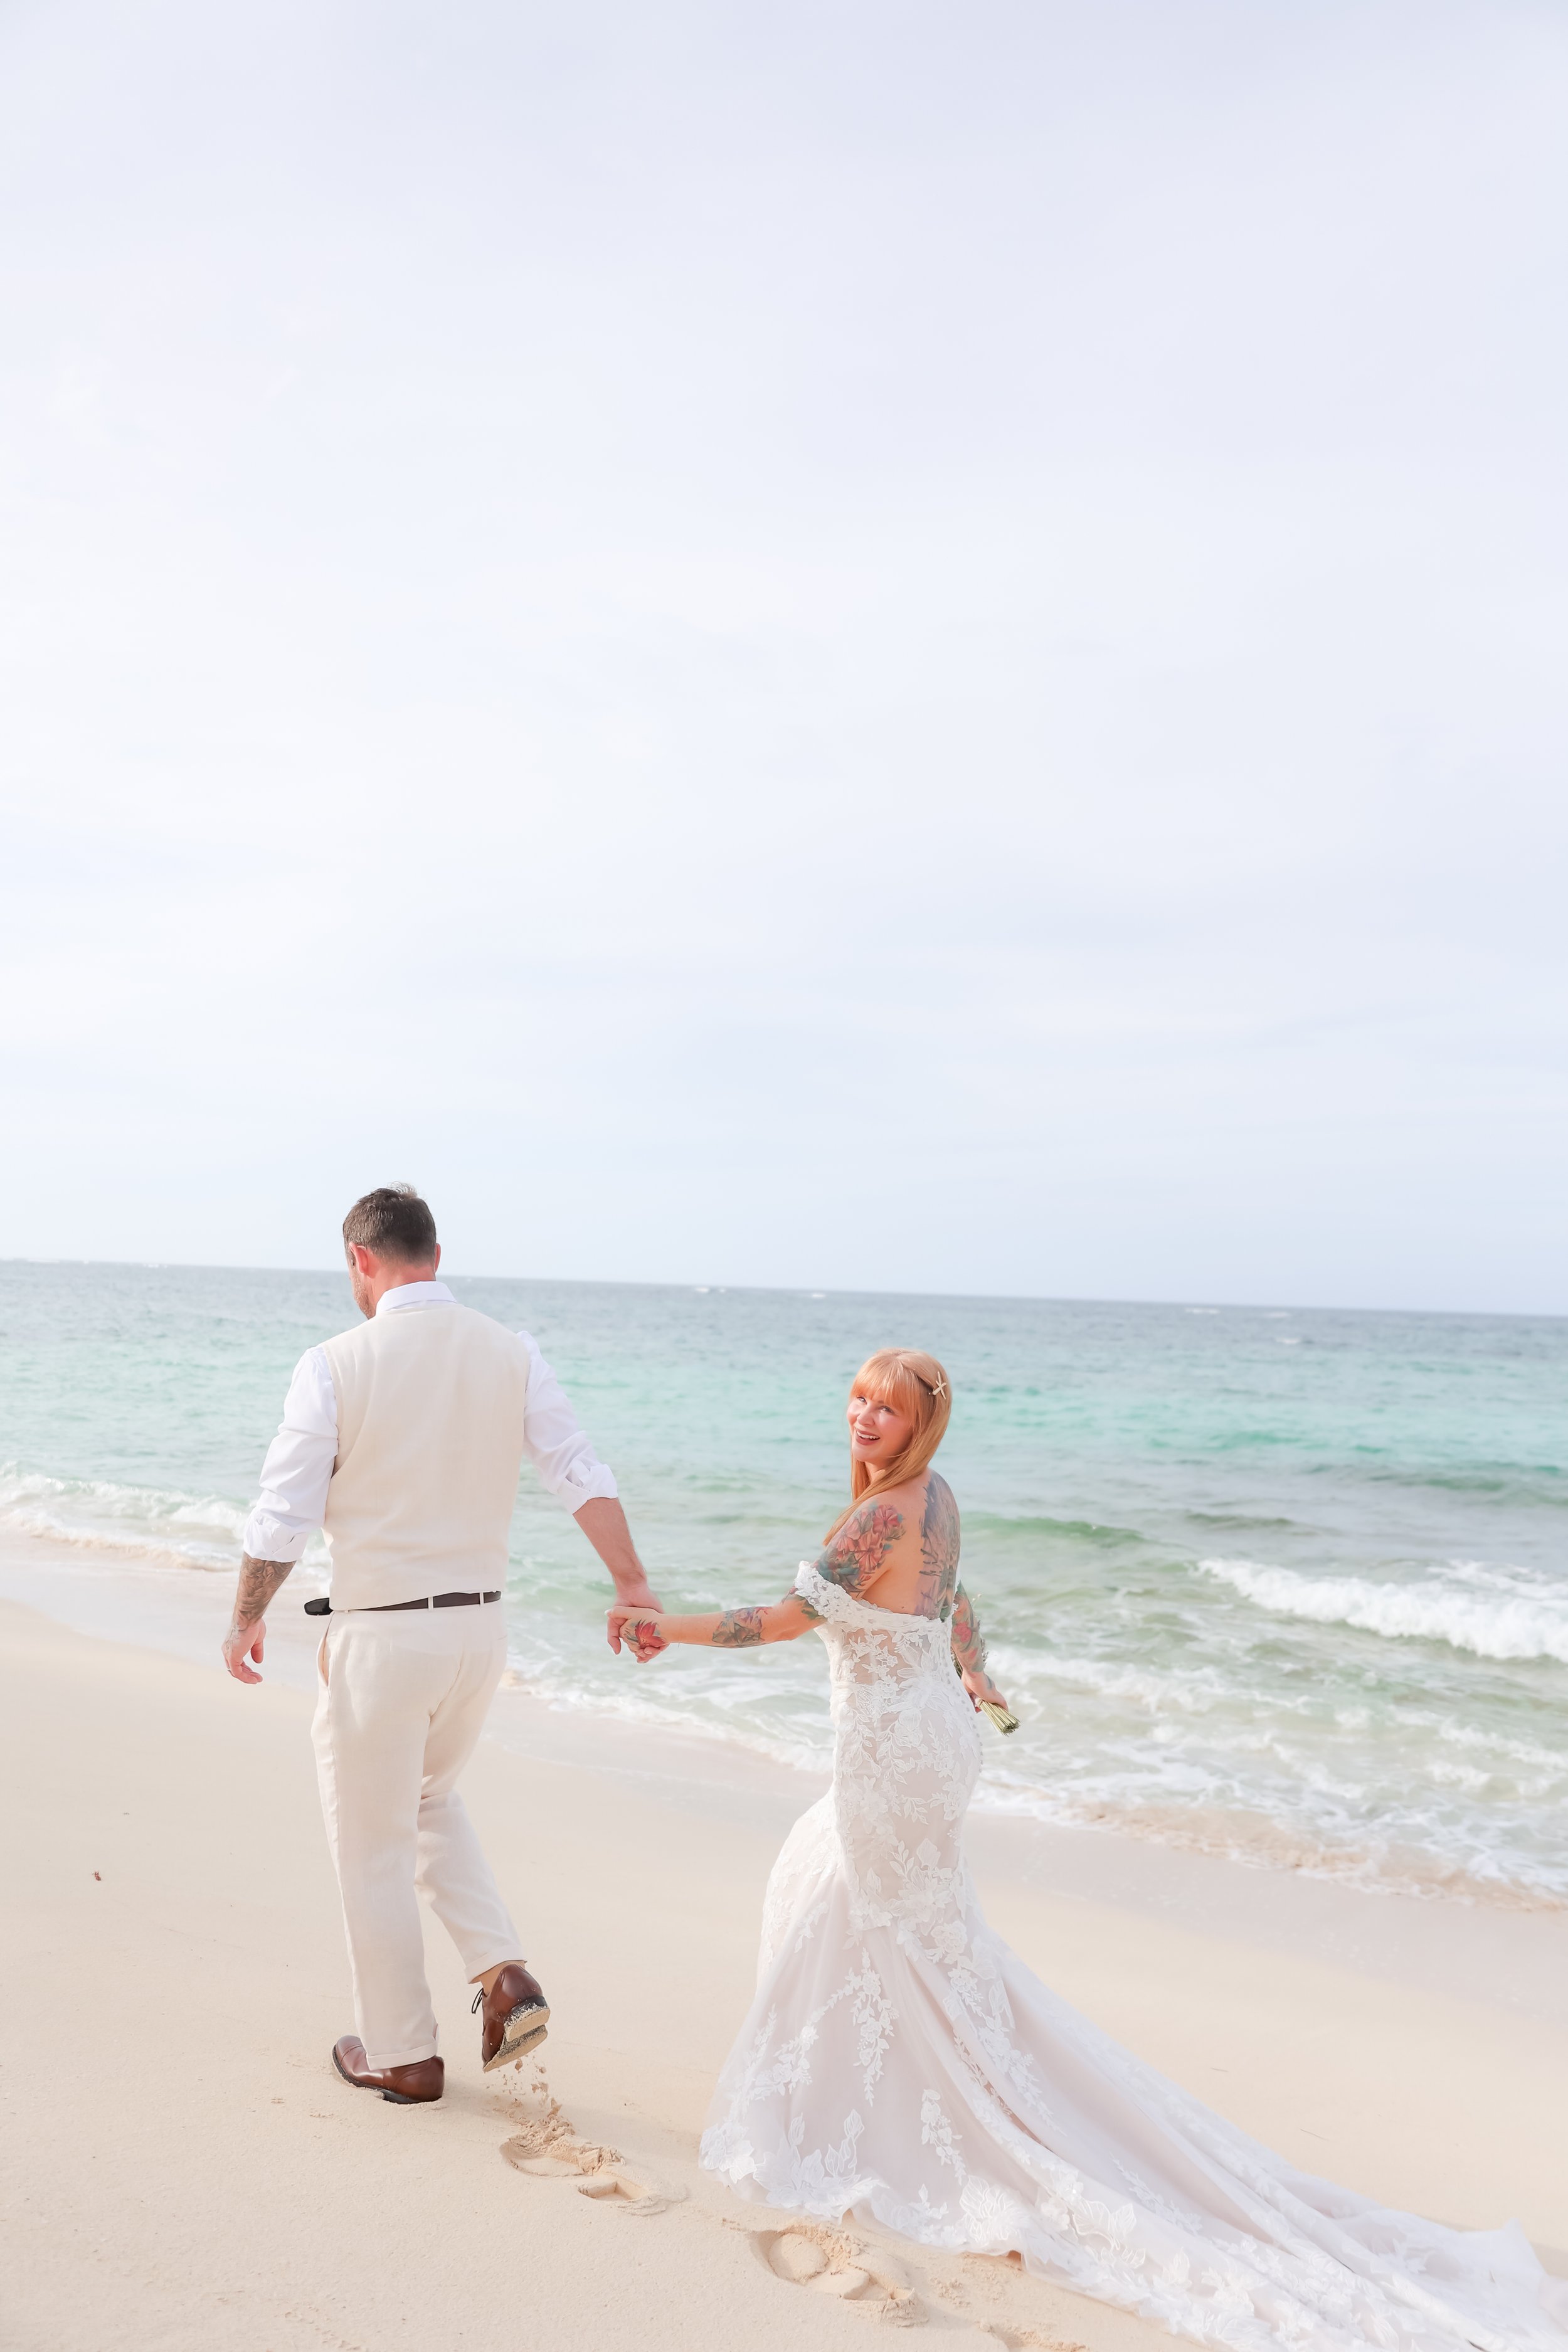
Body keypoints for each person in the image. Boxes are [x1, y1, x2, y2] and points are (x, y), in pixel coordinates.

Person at [608, 1349, 1566, 2352]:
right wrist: (977, 1676)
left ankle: (878, 2118)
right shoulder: (933, 1499)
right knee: (883, 1909)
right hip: (932, 1737)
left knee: (862, 1907)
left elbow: (784, 1619)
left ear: (920, 1423)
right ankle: (895, 2090)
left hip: (896, 1754)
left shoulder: (882, 1514)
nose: (863, 1416)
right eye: (856, 1398)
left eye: (884, 1407)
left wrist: (658, 1626)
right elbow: (953, 1604)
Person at [223, 1184, 661, 2107]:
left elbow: (283, 1511)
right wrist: (631, 1581)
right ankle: (503, 1972)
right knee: (425, 1798)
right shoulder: (512, 1351)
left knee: (369, 1841)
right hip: (479, 1633)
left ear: (359, 1259)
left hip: (383, 1637)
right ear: (434, 1250)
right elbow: (577, 1469)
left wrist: (244, 1614)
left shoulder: (334, 1363)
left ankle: (402, 2053)